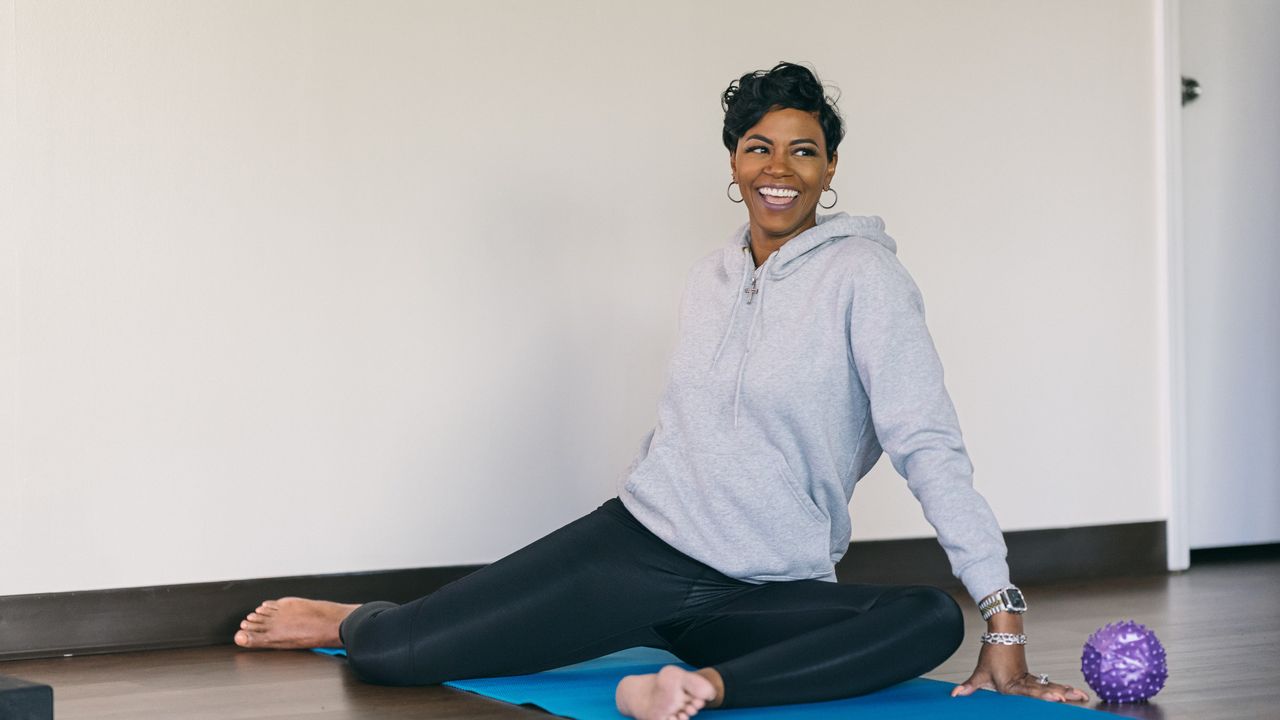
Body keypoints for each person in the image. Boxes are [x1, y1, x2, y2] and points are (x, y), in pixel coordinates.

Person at [234, 62, 1089, 720]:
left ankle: (696, 689)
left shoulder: (867, 278)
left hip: (768, 588)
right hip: (643, 549)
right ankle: (353, 617)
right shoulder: (712, 277)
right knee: (394, 654)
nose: (779, 169)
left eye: (803, 150)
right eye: (760, 147)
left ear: (831, 169)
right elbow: (688, 425)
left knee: (926, 623)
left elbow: (927, 442)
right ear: (734, 161)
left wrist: (1001, 614)